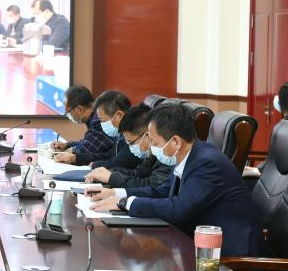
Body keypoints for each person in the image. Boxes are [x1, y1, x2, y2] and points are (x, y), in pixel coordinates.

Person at [88, 103, 267, 256]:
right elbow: (163, 190)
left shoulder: (206, 163)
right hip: (200, 244)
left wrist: (125, 203)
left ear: (175, 142)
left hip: (230, 256)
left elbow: (178, 209)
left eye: (155, 143)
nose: (151, 148)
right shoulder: (191, 155)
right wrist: (116, 193)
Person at [84, 104, 173, 190]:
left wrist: (112, 178)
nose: (130, 147)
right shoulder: (151, 154)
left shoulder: (166, 154)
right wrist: (110, 172)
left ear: (148, 135)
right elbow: (139, 173)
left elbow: (152, 186)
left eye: (131, 142)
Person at [56, 90, 129, 167]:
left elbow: (118, 163)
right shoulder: (120, 135)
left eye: (102, 120)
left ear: (119, 115)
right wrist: (72, 154)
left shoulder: (131, 137)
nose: (101, 124)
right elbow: (109, 155)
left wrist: (94, 164)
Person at [50, 85, 114, 164]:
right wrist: (66, 145)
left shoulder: (98, 121)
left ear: (79, 109)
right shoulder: (93, 119)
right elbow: (87, 141)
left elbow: (82, 152)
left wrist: (66, 152)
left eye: (68, 111)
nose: (68, 115)